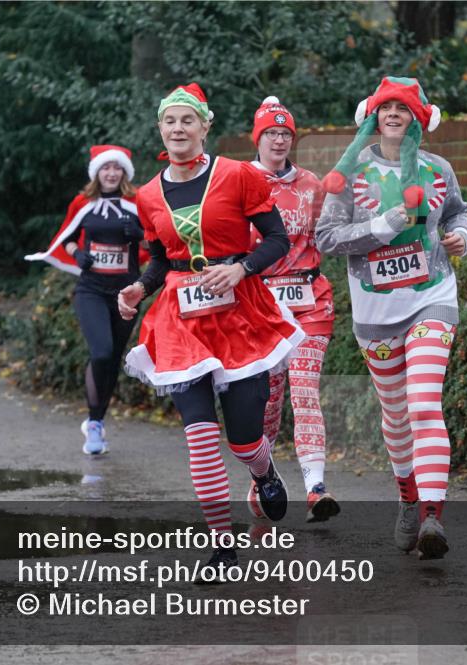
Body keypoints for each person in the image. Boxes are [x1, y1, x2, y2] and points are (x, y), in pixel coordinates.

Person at [117, 83, 304, 577]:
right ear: (160, 129)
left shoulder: (238, 175)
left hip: (239, 314)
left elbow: (278, 240)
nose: (178, 129)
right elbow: (159, 258)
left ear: (205, 125)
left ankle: (262, 469)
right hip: (180, 322)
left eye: (187, 120)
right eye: (169, 121)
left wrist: (242, 268)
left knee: (243, 439)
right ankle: (222, 546)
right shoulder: (148, 194)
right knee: (199, 435)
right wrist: (140, 288)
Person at [316, 77, 467, 560]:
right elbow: (326, 239)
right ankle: (407, 497)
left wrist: (462, 237)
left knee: (424, 404)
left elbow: (457, 215)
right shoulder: (350, 174)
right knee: (397, 416)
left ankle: (432, 518)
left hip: (432, 301)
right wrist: (380, 227)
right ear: (372, 116)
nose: (393, 115)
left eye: (402, 109)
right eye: (385, 108)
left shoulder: (437, 168)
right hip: (376, 315)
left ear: (417, 119)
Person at [246, 96, 339, 523]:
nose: (280, 140)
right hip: (262, 307)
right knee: (269, 403)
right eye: (271, 133)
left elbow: (332, 237)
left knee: (304, 392)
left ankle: (316, 489)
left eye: (286, 133)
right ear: (258, 138)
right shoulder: (241, 182)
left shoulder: (312, 185)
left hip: (309, 302)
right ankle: (261, 479)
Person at [25, 145, 145, 455]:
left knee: (114, 358)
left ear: (124, 173)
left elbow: (155, 244)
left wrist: (139, 235)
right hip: (91, 289)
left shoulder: (137, 203)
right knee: (102, 352)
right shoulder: (84, 203)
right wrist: (77, 254)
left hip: (126, 291)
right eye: (106, 168)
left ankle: (98, 422)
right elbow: (63, 240)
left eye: (117, 168)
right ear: (97, 172)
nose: (111, 173)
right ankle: (93, 422)